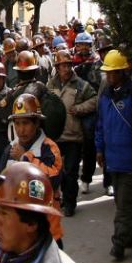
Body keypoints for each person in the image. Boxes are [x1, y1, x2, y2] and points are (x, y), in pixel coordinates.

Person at [95, 50, 132, 261]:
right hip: (113, 159)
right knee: (128, 201)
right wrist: (99, 149)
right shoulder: (105, 95)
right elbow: (100, 126)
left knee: (124, 205)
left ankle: (119, 243)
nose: (110, 76)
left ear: (122, 71)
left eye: (113, 72)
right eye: (107, 73)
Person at [0, 94, 65, 249]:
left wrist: (26, 159)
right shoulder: (9, 150)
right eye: (17, 123)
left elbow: (53, 180)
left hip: (48, 232)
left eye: (26, 123)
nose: (21, 130)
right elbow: (0, 185)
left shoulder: (49, 148)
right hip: (19, 236)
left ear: (37, 123)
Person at [47, 50, 97, 217]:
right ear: (57, 67)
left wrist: (80, 108)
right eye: (63, 66)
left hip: (73, 136)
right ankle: (58, 199)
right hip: (55, 136)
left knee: (71, 172)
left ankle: (70, 203)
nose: (66, 68)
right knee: (56, 172)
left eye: (68, 65)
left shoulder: (81, 85)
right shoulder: (50, 85)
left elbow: (95, 100)